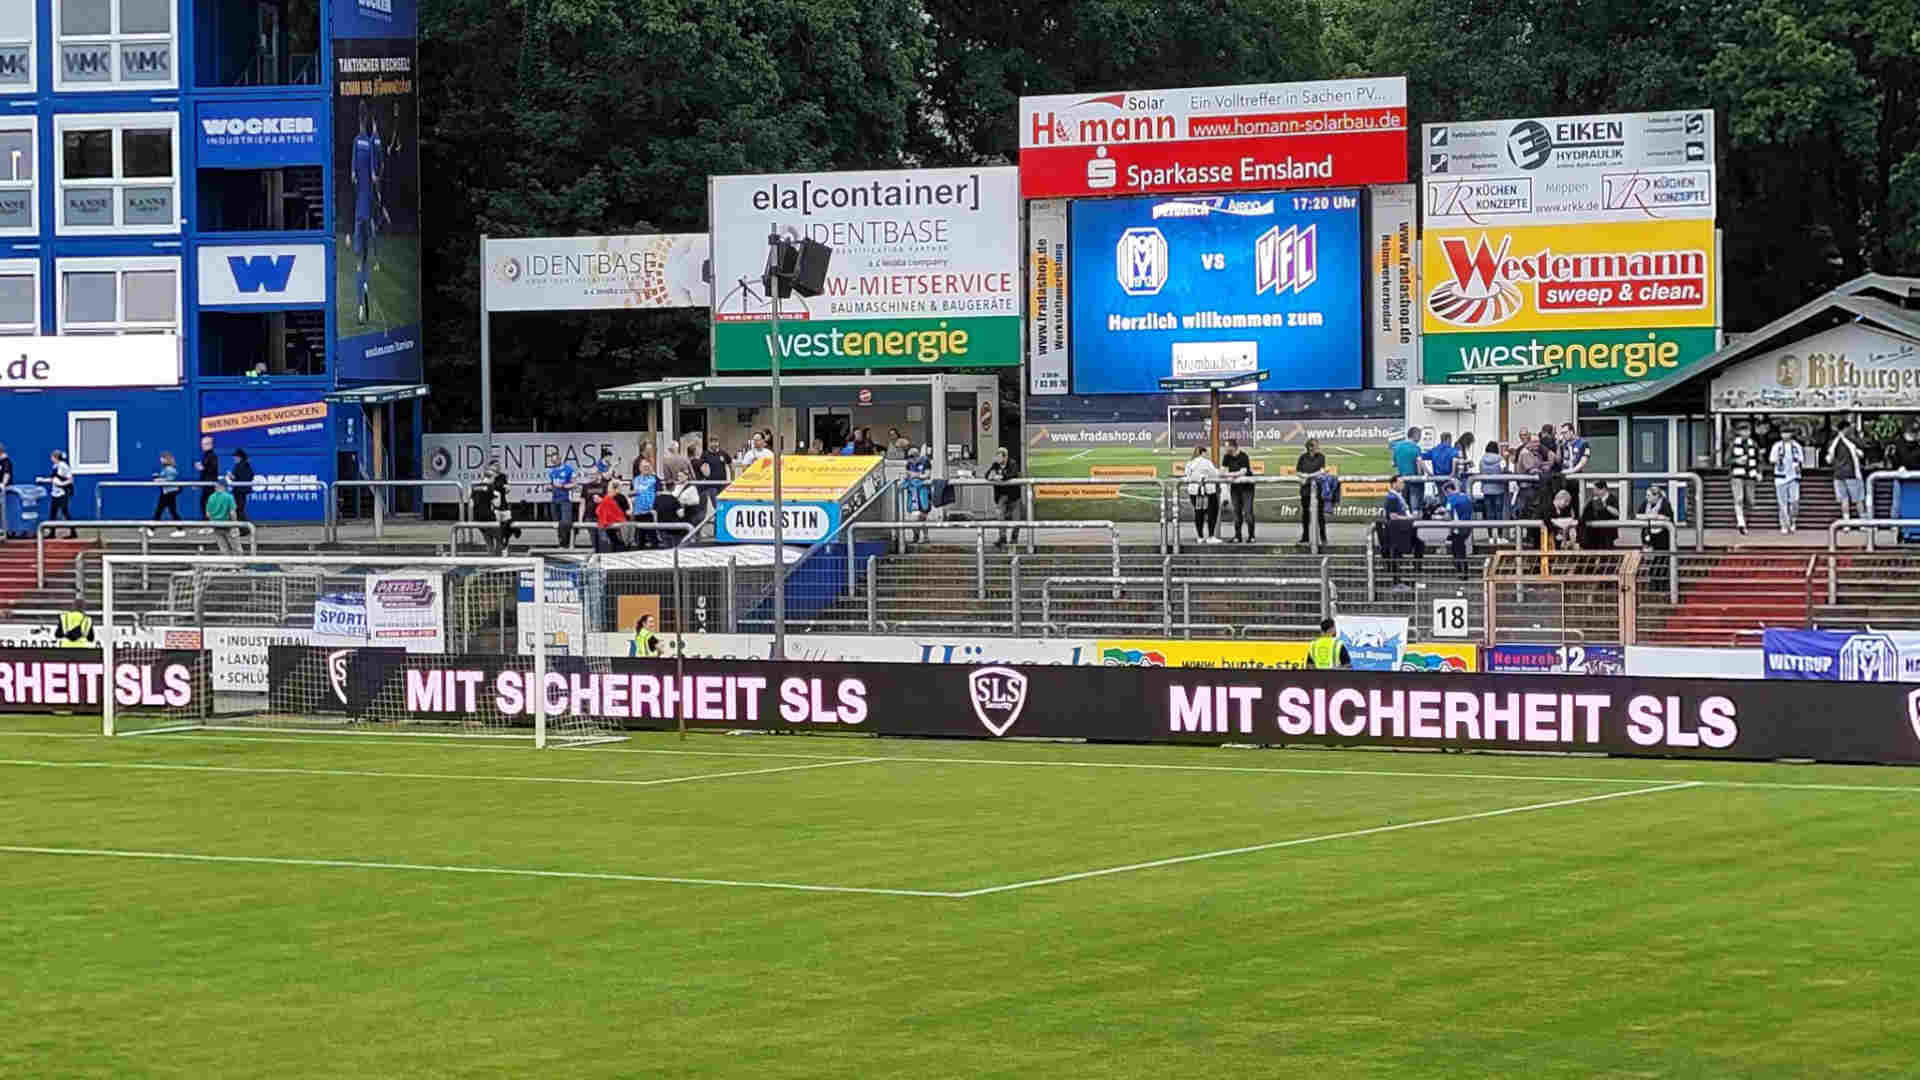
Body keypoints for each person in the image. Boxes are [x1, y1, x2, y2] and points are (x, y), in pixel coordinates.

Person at [1378, 476, 1422, 586]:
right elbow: (1393, 516)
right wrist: (1410, 518)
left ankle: (1415, 569)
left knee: (1419, 544)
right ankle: (1400, 577)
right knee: (1398, 554)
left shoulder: (1398, 496)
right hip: (1397, 531)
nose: (1403, 485)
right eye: (1401, 482)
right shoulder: (1392, 498)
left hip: (1403, 529)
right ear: (1393, 484)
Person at [1829, 420, 1867, 523]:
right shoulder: (1852, 441)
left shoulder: (1833, 442)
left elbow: (1829, 459)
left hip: (1838, 474)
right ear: (1846, 428)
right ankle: (1863, 522)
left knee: (1844, 499)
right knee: (1858, 499)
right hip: (1852, 474)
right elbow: (1861, 454)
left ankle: (1846, 523)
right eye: (1849, 428)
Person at [1727, 421, 1760, 536]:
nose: (1745, 433)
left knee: (1751, 501)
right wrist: (1736, 460)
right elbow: (1726, 460)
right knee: (1739, 499)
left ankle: (1744, 520)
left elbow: (1759, 460)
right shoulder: (1733, 444)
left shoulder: (1753, 444)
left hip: (1750, 476)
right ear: (1738, 432)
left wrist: (1759, 472)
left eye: (1747, 430)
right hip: (1737, 475)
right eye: (1743, 430)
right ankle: (1741, 523)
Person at [1770, 427, 1805, 534]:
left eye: (1787, 432)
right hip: (1780, 477)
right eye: (1783, 433)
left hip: (1794, 477)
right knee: (1782, 503)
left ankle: (1793, 521)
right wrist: (1779, 458)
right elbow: (1772, 459)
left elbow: (1801, 460)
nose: (1785, 435)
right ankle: (1784, 524)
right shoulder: (1777, 446)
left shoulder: (1797, 446)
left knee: (1795, 501)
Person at [1183, 445, 1221, 544]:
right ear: (1202, 453)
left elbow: (1187, 474)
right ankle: (1211, 536)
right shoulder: (1206, 462)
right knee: (1212, 513)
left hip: (1194, 492)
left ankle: (1200, 537)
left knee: (1198, 513)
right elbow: (1215, 474)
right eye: (1206, 453)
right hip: (1207, 492)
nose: (1208, 455)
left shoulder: (1190, 463)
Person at [1220, 438, 1255, 543]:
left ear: (1233, 446)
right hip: (1235, 488)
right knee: (1236, 513)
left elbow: (1243, 472)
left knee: (1248, 513)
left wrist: (1230, 475)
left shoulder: (1243, 456)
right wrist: (1231, 475)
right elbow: (1222, 471)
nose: (1225, 448)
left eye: (1226, 446)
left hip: (1247, 488)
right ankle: (1237, 536)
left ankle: (1251, 536)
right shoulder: (1226, 457)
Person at [1294, 438, 1327, 545]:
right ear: (1310, 447)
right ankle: (1305, 537)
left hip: (1318, 490)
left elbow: (1321, 472)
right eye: (1316, 446)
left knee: (1320, 515)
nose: (1318, 448)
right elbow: (1298, 472)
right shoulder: (1302, 458)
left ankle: (1323, 537)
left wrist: (1307, 476)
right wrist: (1302, 475)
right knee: (1305, 515)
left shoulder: (1321, 457)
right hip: (1305, 491)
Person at [986, 447, 1021, 547]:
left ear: (1005, 457)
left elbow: (1013, 474)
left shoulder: (1012, 463)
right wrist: (991, 475)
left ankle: (1014, 538)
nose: (998, 459)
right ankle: (1003, 538)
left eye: (1000, 457)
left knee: (1016, 519)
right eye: (997, 457)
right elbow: (987, 475)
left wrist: (1001, 476)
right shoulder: (995, 465)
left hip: (1014, 496)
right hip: (1002, 496)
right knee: (1000, 515)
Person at [1643, 485, 1674, 594]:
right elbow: (1639, 514)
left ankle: (1662, 586)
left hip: (1663, 537)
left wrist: (1657, 517)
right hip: (1650, 536)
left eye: (1649, 495)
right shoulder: (1646, 504)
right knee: (1653, 562)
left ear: (1656, 496)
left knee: (1662, 561)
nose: (1647, 498)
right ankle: (1654, 585)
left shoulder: (1665, 503)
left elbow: (1668, 517)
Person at [546, 449, 577, 548]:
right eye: (552, 461)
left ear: (560, 459)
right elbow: (551, 485)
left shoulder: (569, 469)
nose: (554, 463)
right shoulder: (552, 472)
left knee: (566, 522)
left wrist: (562, 486)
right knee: (557, 523)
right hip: (555, 500)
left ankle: (568, 541)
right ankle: (562, 543)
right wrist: (549, 487)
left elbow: (574, 484)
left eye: (555, 461)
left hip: (566, 500)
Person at [1444, 478, 1475, 577]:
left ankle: (1461, 572)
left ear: (1449, 490)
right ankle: (1464, 571)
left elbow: (1448, 515)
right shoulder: (1465, 496)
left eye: (1445, 492)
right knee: (1461, 549)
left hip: (1457, 527)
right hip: (1468, 526)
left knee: (1457, 550)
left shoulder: (1451, 499)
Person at [150, 452, 185, 536]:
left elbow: (169, 479)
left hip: (169, 493)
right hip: (167, 492)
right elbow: (166, 478)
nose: (160, 460)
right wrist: (159, 477)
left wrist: (158, 480)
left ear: (166, 459)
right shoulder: (167, 468)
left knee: (161, 510)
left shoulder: (169, 469)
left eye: (162, 458)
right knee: (170, 511)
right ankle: (180, 529)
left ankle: (152, 529)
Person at [903, 445, 933, 542]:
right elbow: (907, 476)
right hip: (913, 493)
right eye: (910, 459)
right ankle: (916, 535)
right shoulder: (908, 464)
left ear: (917, 456)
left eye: (913, 458)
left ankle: (925, 536)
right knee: (914, 516)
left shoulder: (925, 461)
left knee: (923, 515)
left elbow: (927, 475)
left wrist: (916, 475)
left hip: (923, 491)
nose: (911, 461)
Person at [1390, 426, 1423, 512]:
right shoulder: (1416, 448)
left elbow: (1394, 464)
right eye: (1419, 435)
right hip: (1414, 479)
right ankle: (1414, 518)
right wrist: (1420, 476)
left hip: (1402, 479)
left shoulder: (1397, 447)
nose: (1420, 438)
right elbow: (1419, 463)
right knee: (1414, 502)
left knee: (1404, 501)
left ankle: (1405, 519)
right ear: (1415, 435)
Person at [45, 450, 75, 538]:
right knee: (52, 513)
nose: (51, 459)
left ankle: (73, 532)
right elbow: (53, 478)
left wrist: (61, 484)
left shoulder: (63, 466)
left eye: (52, 457)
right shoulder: (55, 466)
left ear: (55, 457)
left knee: (65, 512)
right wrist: (43, 480)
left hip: (62, 493)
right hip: (55, 493)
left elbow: (70, 480)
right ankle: (52, 533)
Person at [594, 478, 630, 552]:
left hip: (607, 524)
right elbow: (627, 511)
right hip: (619, 524)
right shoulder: (621, 497)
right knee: (619, 543)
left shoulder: (606, 498)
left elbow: (599, 511)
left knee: (613, 542)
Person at [1478, 441, 1507, 530]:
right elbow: (1504, 471)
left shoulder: (1482, 460)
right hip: (1499, 489)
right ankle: (1499, 535)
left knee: (1489, 513)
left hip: (1486, 489)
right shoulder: (1501, 459)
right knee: (1498, 512)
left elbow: (1481, 472)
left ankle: (1490, 536)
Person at [205, 479, 238, 554]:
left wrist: (213, 522)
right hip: (228, 525)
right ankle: (239, 564)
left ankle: (227, 564)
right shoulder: (229, 497)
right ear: (225, 487)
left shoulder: (211, 497)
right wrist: (235, 525)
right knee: (236, 547)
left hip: (216, 525)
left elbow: (208, 514)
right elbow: (232, 513)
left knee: (223, 548)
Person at [1422, 432, 1459, 496]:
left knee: (1441, 496)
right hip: (1449, 478)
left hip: (1437, 479)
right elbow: (1455, 460)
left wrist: (1428, 472)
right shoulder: (1453, 450)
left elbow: (1420, 458)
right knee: (1451, 497)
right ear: (1448, 439)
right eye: (1451, 440)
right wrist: (1453, 473)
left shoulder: (1434, 450)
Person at [228, 448, 254, 522]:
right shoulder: (246, 465)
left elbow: (237, 477)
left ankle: (244, 528)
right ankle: (243, 527)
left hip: (239, 491)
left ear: (239, 457)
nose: (234, 458)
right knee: (239, 509)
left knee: (239, 509)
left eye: (235, 457)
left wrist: (231, 476)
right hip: (242, 491)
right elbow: (250, 476)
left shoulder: (240, 466)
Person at [197, 435, 219, 519]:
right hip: (206, 484)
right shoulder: (206, 455)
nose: (202, 446)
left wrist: (202, 468)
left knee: (208, 504)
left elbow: (212, 469)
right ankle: (208, 523)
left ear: (210, 444)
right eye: (202, 444)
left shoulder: (212, 455)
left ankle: (209, 524)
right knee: (205, 504)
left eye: (204, 444)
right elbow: (205, 471)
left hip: (210, 485)